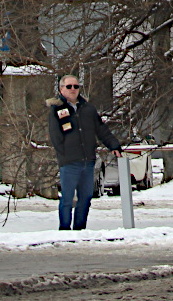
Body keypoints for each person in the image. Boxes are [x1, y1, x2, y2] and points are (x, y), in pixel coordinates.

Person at [46, 75, 122, 231]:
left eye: (76, 86)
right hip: (69, 162)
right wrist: (64, 154)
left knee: (86, 197)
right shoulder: (57, 110)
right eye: (69, 87)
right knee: (67, 198)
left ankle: (80, 228)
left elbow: (101, 130)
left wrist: (113, 145)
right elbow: (55, 136)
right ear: (61, 89)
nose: (73, 89)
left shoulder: (88, 109)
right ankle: (64, 230)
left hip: (87, 161)